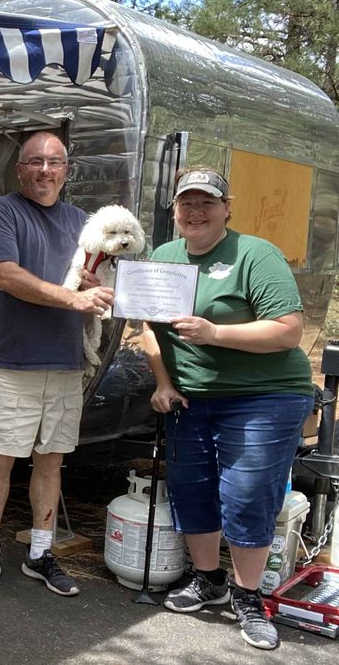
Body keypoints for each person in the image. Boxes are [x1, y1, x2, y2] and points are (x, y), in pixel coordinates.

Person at [141, 166, 314, 650]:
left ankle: (247, 596)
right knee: (192, 488)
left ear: (226, 207)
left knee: (245, 493)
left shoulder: (255, 254)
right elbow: (149, 328)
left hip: (265, 396)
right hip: (191, 397)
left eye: (207, 202)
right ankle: (207, 578)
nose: (196, 212)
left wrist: (216, 334)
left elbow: (289, 329)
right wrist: (163, 382)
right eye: (186, 203)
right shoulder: (165, 256)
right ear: (174, 211)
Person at [0, 131, 114, 597]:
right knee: (0, 460)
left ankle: (40, 553)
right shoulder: (0, 212)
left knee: (50, 464)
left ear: (67, 171)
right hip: (14, 362)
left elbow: (95, 277)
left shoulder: (81, 222)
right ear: (20, 170)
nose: (45, 171)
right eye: (35, 162)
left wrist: (97, 281)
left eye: (55, 162)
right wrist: (75, 297)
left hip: (66, 363)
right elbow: (7, 278)